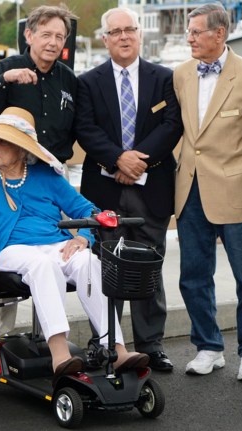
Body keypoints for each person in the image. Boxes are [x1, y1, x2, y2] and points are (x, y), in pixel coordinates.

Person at [0, 107, 149, 380]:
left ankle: (116, 347)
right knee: (40, 263)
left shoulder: (46, 175)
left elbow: (87, 209)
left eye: (2, 141)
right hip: (6, 248)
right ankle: (59, 354)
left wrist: (82, 237)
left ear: (21, 148)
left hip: (55, 243)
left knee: (88, 260)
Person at [75, 7, 183, 372]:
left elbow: (172, 125)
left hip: (152, 187)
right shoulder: (88, 81)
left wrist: (138, 162)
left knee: (149, 266)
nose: (124, 37)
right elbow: (86, 129)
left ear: (139, 34)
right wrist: (118, 159)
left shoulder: (164, 77)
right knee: (105, 269)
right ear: (104, 39)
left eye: (130, 30)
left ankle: (151, 344)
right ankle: (106, 343)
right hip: (105, 189)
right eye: (115, 31)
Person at [0, 4, 80, 339]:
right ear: (29, 35)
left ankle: (50, 336)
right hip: (8, 174)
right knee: (6, 243)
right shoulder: (5, 69)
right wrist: (4, 82)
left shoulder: (69, 80)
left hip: (51, 177)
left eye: (59, 36)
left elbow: (76, 128)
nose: (52, 42)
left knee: (52, 251)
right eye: (46, 34)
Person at [173, 3, 242, 380]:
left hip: (238, 192)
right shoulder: (180, 74)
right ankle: (208, 346)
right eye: (189, 31)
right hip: (189, 190)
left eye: (197, 31)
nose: (190, 38)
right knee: (193, 275)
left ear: (220, 33)